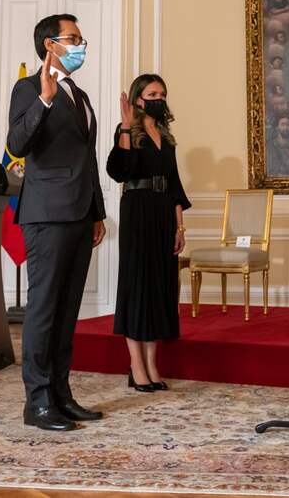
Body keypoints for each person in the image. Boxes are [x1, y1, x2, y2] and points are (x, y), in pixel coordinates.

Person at [7, 13, 107, 431]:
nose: (82, 44)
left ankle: (62, 395)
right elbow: (17, 144)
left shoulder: (80, 95)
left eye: (81, 38)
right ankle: (38, 402)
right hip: (46, 214)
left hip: (81, 214)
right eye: (74, 38)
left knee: (67, 312)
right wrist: (43, 101)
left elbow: (88, 160)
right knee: (44, 310)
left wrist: (98, 212)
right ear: (50, 44)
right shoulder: (29, 88)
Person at [107, 74, 191, 392]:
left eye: (162, 93)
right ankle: (136, 365)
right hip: (138, 210)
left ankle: (153, 365)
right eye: (152, 93)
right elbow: (120, 171)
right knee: (138, 285)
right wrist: (126, 127)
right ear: (138, 98)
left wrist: (180, 225)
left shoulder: (167, 136)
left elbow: (175, 184)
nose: (158, 97)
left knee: (159, 288)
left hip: (163, 212)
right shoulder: (128, 130)